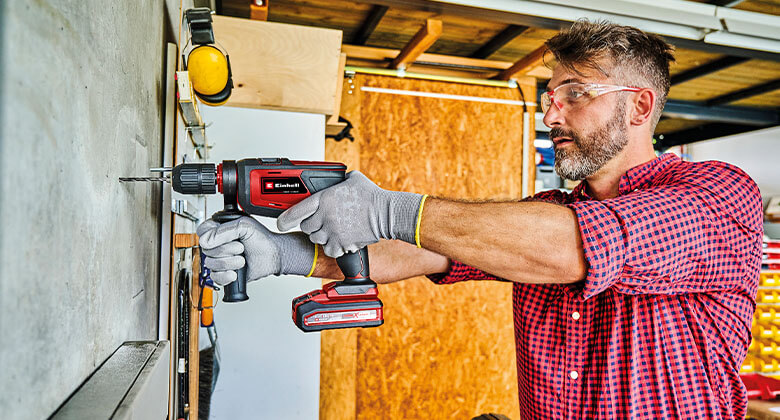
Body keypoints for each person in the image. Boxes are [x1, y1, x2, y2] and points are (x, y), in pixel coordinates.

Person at [197, 20, 763, 419]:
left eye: (574, 94)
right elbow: (429, 249)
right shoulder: (547, 214)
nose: (549, 113)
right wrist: (280, 253)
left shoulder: (717, 194)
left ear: (639, 106)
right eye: (549, 95)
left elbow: (581, 248)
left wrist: (388, 207)